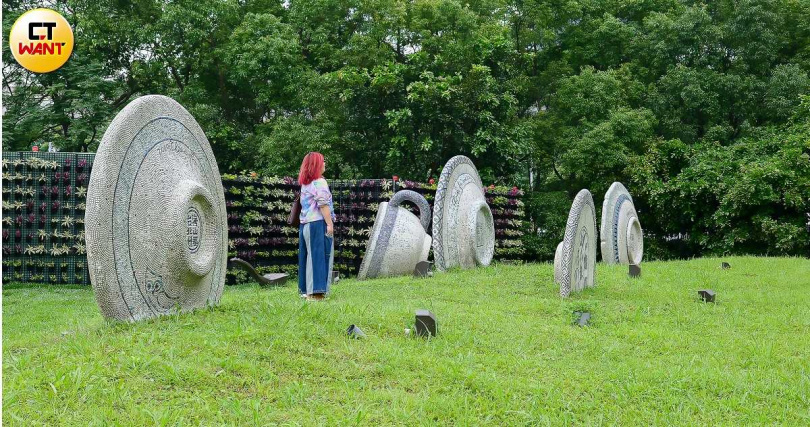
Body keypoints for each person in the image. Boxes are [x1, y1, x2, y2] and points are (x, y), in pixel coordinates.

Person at [297, 152, 335, 301]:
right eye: (322, 161)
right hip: (317, 224)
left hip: (305, 225)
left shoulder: (305, 183)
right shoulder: (320, 182)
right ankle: (316, 294)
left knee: (307, 257)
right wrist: (329, 224)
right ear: (316, 165)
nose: (324, 164)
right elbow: (323, 205)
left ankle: (306, 292)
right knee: (319, 257)